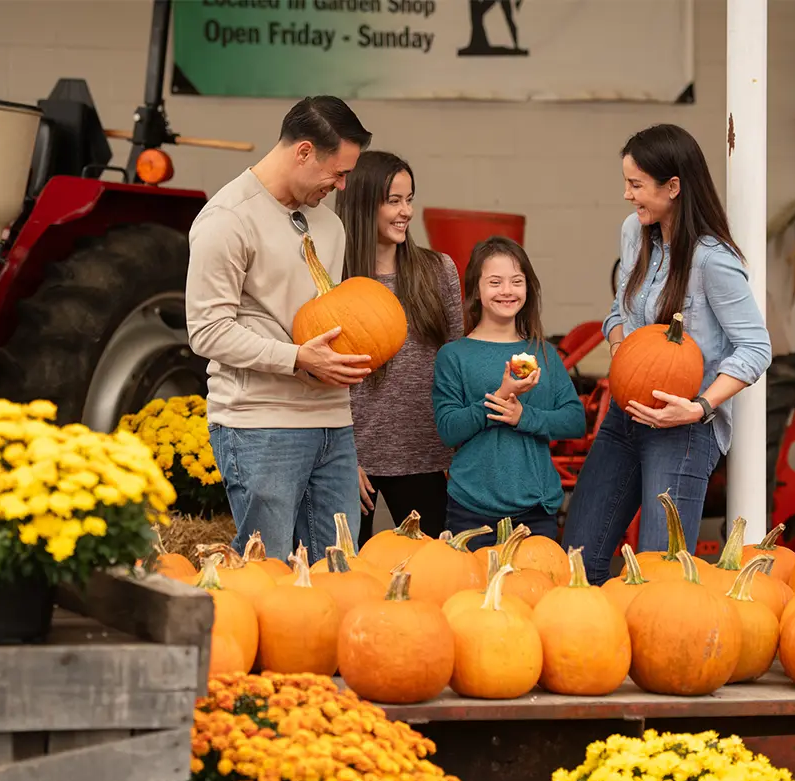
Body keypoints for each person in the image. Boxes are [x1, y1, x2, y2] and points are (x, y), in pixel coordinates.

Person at [561, 123, 772, 585]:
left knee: (660, 575)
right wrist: (623, 352)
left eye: (636, 185)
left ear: (673, 187)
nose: (626, 195)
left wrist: (699, 407)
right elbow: (618, 311)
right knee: (577, 560)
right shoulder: (633, 234)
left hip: (683, 430)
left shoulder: (712, 260)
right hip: (624, 417)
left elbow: (756, 347)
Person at [185, 96, 374, 562]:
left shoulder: (329, 225)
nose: (343, 186)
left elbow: (330, 320)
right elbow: (206, 330)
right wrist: (297, 358)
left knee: (339, 568)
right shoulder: (227, 220)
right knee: (265, 571)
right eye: (338, 172)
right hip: (261, 423)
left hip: (333, 424)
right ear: (304, 152)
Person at [334, 151, 465, 545]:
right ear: (361, 203)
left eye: (409, 199)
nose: (406, 211)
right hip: (353, 459)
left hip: (427, 457)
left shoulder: (437, 270)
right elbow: (320, 378)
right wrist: (341, 456)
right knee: (347, 573)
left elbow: (456, 360)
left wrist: (457, 449)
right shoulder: (331, 280)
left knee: (433, 574)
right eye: (393, 201)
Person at [431, 236, 585, 542]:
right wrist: (499, 398)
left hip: (536, 511)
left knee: (538, 589)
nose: (507, 291)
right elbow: (448, 430)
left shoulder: (542, 353)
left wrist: (523, 416)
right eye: (495, 282)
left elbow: (574, 420)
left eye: (516, 281)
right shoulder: (454, 356)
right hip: (472, 509)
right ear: (476, 288)